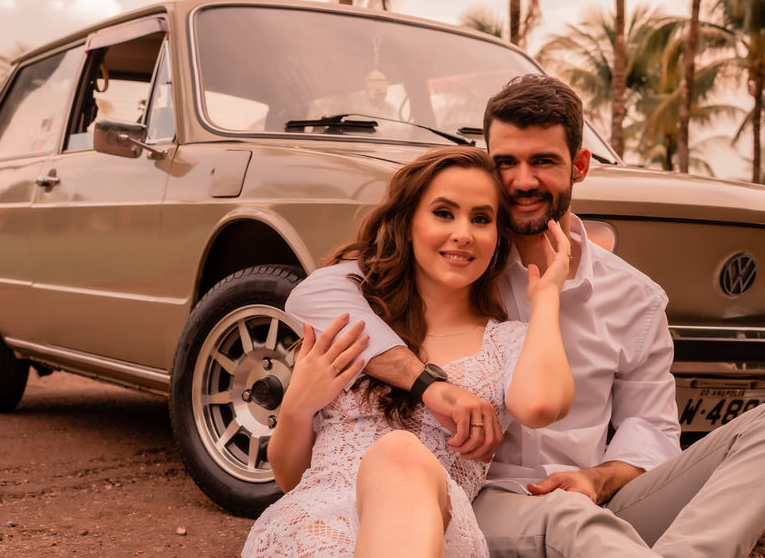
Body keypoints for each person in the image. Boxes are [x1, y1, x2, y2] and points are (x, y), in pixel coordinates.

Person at [286, 74, 765, 557]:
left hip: (597, 501)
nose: (522, 181)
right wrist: (429, 384)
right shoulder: (461, 263)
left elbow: (651, 429)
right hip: (481, 497)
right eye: (506, 163)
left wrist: (598, 479)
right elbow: (321, 293)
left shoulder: (635, 297)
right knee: (568, 522)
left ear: (579, 166)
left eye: (543, 161)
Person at [241, 146, 576, 557]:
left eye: (481, 219)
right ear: (409, 221)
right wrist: (296, 407)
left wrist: (547, 298)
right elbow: (294, 479)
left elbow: (540, 405)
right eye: (443, 213)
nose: (463, 233)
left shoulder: (507, 340)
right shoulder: (355, 321)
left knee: (400, 453)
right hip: (311, 531)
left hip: (430, 535)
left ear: (498, 237)